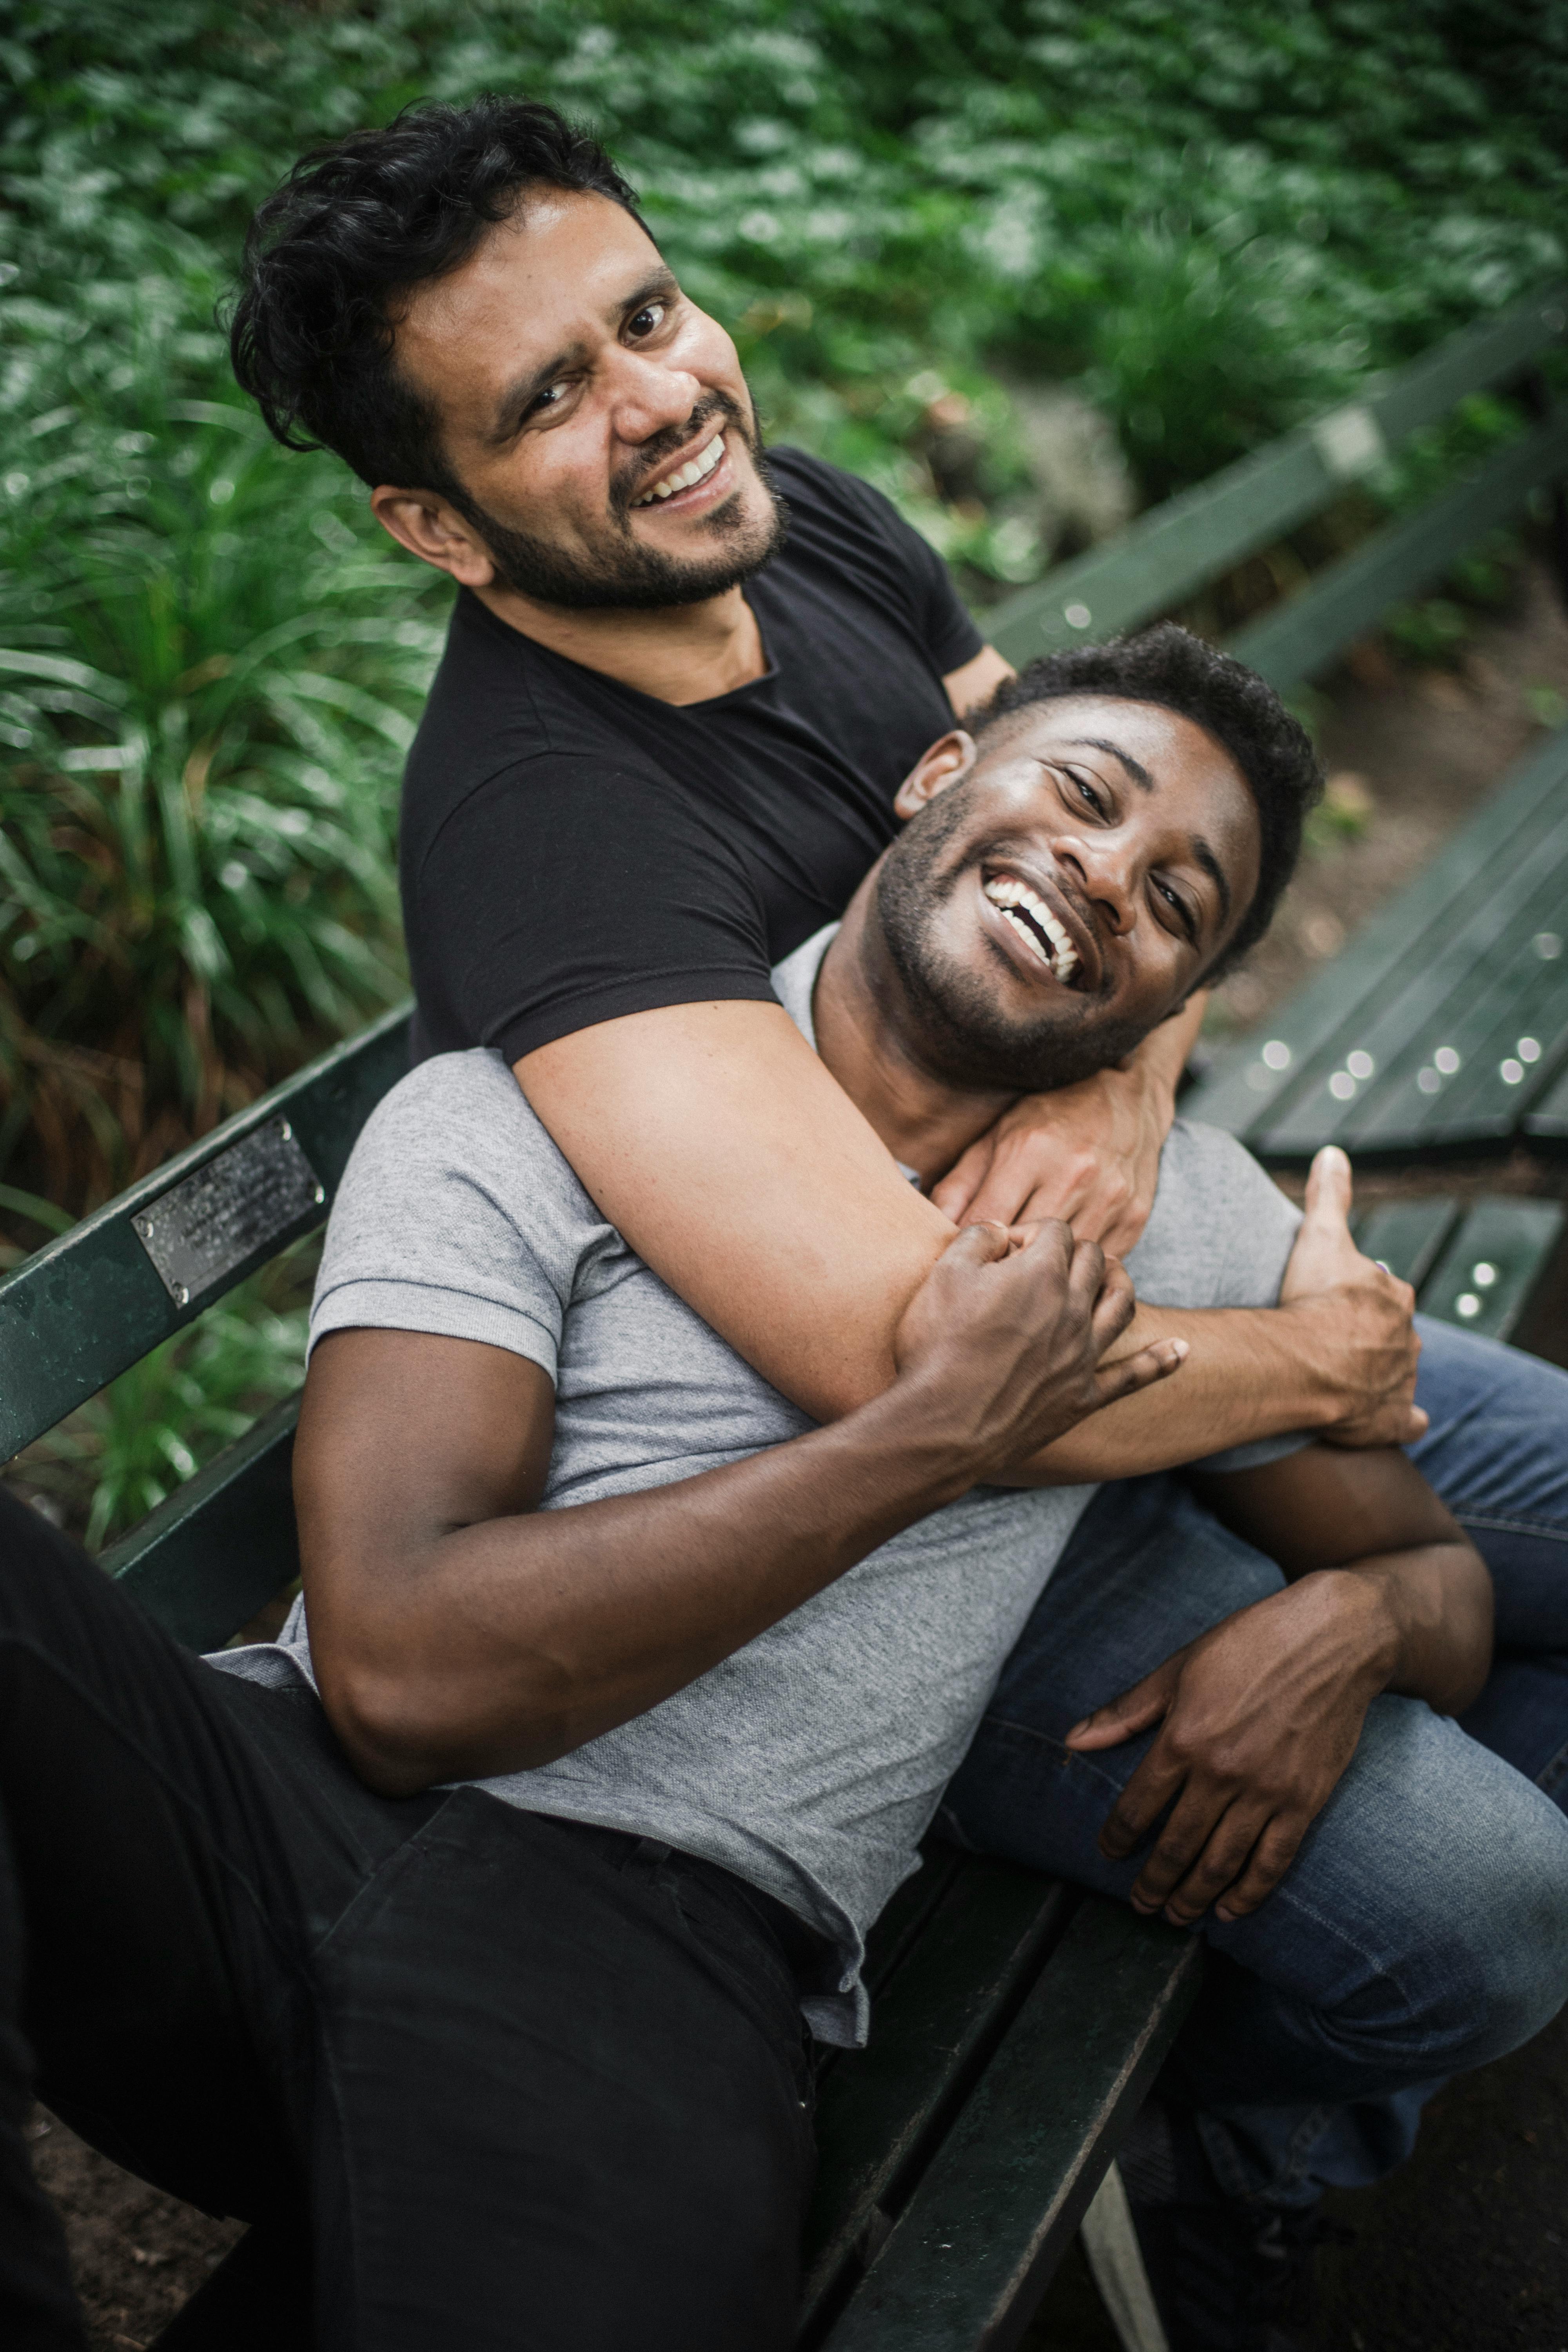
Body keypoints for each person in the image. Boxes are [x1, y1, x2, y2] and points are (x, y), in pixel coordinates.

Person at [225, 96, 1568, 2338]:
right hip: (865, 1504)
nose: (658, 400)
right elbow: (911, 1372)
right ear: (436, 527)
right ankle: (1226, 2145)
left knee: (1485, 1584)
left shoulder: (792, 526)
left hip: (1102, 1309)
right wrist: (1321, 1375)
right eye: (549, 397)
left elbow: (1070, 794)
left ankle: (1243, 2077)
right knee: (1472, 1893)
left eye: (644, 315)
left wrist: (1129, 1110)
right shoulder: (556, 836)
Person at [7, 652, 1566, 2352]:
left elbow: (1432, 1567)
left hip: (658, 1957)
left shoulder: (1160, 1229)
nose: (1106, 874)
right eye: (1086, 793)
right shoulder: (556, 1100)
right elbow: (395, 1683)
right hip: (266, 1821)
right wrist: (926, 1436)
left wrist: (1355, 1619)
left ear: (1158, 1016)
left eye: (1173, 902)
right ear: (934, 779)